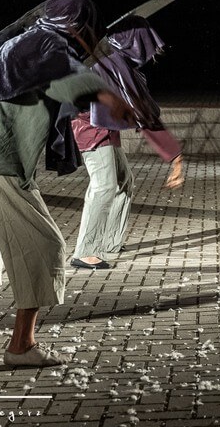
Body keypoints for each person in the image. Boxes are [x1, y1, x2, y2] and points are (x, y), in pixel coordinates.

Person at [0, 0, 132, 367]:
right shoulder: (51, 49)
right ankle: (21, 347)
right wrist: (114, 95)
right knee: (44, 244)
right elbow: (83, 90)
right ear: (79, 23)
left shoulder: (20, 42)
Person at [69, 17, 184, 270]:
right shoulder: (111, 61)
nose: (150, 55)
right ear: (135, 42)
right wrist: (175, 157)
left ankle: (110, 242)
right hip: (90, 129)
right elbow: (143, 112)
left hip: (103, 128)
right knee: (104, 185)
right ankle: (85, 251)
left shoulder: (110, 56)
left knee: (123, 182)